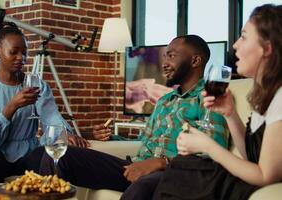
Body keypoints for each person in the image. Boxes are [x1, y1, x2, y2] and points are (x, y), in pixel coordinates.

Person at [39, 35, 230, 194]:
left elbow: (216, 150)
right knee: (59, 155)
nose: (164, 63)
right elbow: (144, 141)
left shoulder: (210, 97)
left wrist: (161, 163)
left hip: (173, 173)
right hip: (137, 166)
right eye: (164, 56)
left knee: (142, 186)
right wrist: (110, 137)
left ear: (195, 60)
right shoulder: (165, 101)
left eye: (171, 56)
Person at [153, 4, 282, 200]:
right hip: (251, 178)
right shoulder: (265, 95)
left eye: (244, 36)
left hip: (258, 183)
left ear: (267, 48)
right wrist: (230, 113)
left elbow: (265, 175)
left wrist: (208, 146)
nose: (236, 45)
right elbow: (250, 157)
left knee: (183, 172)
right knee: (182, 167)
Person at [0, 22, 89, 183]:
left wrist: (63, 134)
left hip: (28, 157)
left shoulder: (36, 85)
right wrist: (12, 106)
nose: (21, 58)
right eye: (14, 52)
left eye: (24, 53)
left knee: (43, 154)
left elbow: (52, 117)